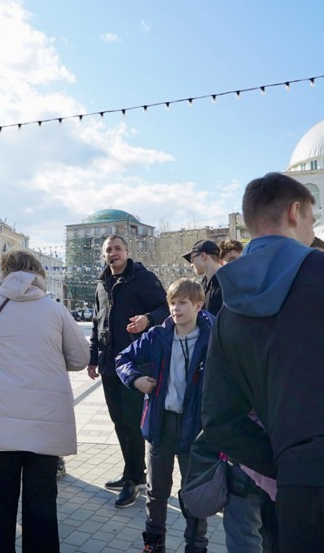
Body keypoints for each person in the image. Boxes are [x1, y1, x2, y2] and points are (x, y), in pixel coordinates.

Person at [194, 172, 324, 550]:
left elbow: (218, 420)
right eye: (313, 222)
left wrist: (285, 463)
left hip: (294, 489)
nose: (313, 232)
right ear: (295, 212)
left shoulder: (230, 311)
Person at [0, 248, 89, 553]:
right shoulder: (55, 310)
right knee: (42, 503)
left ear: (6, 271)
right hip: (44, 423)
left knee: (0, 502)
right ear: (38, 273)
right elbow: (81, 357)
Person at [116, 278, 213, 553]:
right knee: (156, 492)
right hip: (161, 424)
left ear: (198, 305)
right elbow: (123, 359)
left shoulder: (212, 337)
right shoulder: (157, 336)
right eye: (172, 303)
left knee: (193, 492)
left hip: (195, 427)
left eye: (182, 303)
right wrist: (135, 379)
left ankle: (196, 546)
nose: (176, 309)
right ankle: (153, 544)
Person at [89, 235, 168, 508]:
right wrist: (92, 358)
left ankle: (133, 479)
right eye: (108, 250)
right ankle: (132, 472)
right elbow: (96, 324)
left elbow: (165, 308)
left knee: (132, 423)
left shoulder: (142, 278)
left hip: (134, 365)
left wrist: (148, 319)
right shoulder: (101, 284)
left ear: (127, 252)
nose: (113, 253)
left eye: (118, 248)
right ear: (104, 256)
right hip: (109, 365)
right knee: (118, 421)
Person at [182, 240, 222, 315]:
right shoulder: (204, 283)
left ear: (203, 256)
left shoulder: (227, 281)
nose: (191, 265)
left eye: (192, 260)